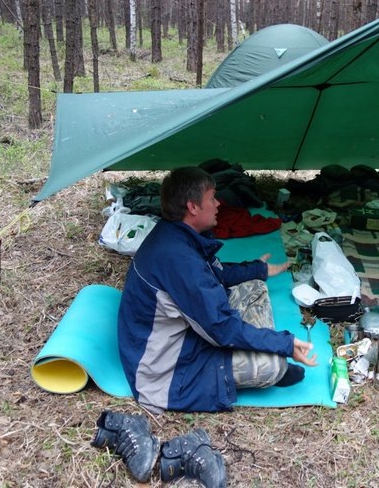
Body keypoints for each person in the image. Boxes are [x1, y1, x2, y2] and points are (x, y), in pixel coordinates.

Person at [117, 166, 318, 416]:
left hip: (182, 332)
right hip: (166, 370)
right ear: (192, 207)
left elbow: (213, 276)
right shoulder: (179, 259)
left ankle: (254, 342)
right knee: (273, 365)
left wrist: (258, 269)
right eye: (212, 198)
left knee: (254, 286)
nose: (218, 204)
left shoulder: (176, 234)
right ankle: (262, 351)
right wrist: (284, 344)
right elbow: (221, 328)